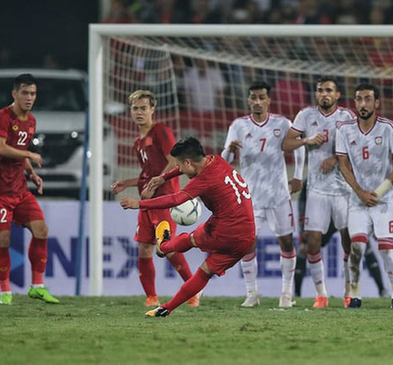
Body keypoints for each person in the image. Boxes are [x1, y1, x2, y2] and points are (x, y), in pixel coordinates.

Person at [120, 137, 256, 317]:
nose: (181, 170)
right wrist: (164, 177)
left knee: (191, 238)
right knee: (204, 272)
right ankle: (166, 309)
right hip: (247, 237)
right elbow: (182, 169)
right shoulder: (216, 160)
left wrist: (140, 204)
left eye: (180, 165)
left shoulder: (204, 179)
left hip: (227, 230)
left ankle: (164, 246)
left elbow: (176, 199)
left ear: (188, 162)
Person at [221, 81, 305, 308]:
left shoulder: (282, 123)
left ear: (269, 100)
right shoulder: (238, 126)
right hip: (250, 198)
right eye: (253, 98)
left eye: (261, 97)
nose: (257, 102)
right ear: (248, 100)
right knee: (247, 244)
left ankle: (286, 293)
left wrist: (298, 175)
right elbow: (224, 162)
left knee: (287, 243)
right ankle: (252, 293)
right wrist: (230, 151)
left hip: (278, 195)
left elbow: (300, 145)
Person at [111, 90, 196, 308]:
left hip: (165, 198)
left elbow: (175, 162)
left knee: (166, 247)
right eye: (135, 108)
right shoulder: (138, 141)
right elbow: (146, 172)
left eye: (143, 108)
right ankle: (151, 297)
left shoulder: (162, 131)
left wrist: (156, 182)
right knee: (144, 249)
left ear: (152, 110)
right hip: (147, 201)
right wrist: (127, 183)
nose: (139, 112)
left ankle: (194, 289)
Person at [0, 73, 58, 305]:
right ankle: (5, 292)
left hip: (19, 188)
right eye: (24, 93)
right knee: (3, 239)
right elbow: (0, 148)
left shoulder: (31, 120)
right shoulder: (3, 116)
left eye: (32, 93)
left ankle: (37, 286)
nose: (29, 97)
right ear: (14, 94)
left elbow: (17, 149)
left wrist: (31, 173)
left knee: (41, 230)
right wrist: (30, 155)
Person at [282, 77, 355, 308]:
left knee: (348, 241)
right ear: (316, 94)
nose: (324, 94)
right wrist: (307, 140)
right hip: (316, 189)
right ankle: (321, 294)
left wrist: (335, 158)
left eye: (329, 91)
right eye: (321, 90)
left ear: (337, 95)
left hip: (343, 188)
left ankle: (348, 292)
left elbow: (358, 146)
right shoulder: (306, 116)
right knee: (312, 242)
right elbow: (286, 144)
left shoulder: (347, 117)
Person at [336, 84, 393, 309]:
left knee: (386, 248)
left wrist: (379, 192)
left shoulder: (388, 128)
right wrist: (360, 192)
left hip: (383, 200)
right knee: (356, 249)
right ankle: (355, 296)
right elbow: (343, 165)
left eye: (368, 99)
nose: (363, 104)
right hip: (358, 200)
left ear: (377, 103)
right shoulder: (344, 130)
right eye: (359, 99)